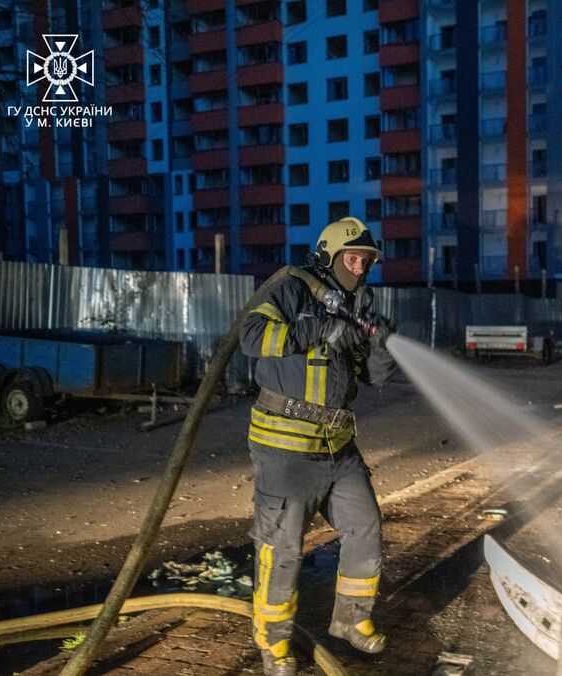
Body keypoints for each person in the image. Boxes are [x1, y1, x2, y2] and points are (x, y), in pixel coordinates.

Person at [239, 216, 396, 676]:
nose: (361, 267)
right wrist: (319, 331)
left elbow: (376, 376)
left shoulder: (359, 302)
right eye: (353, 258)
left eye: (367, 260)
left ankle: (351, 621)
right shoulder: (291, 288)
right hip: (285, 447)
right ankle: (273, 645)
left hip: (338, 446)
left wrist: (381, 345)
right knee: (283, 548)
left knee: (365, 524)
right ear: (328, 256)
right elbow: (252, 337)